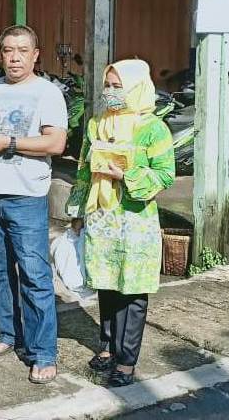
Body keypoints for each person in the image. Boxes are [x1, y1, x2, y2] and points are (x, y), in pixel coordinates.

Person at [0, 25, 68, 384]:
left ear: (36, 54)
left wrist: (8, 143)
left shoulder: (47, 93)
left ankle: (43, 353)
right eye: (8, 50)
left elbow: (55, 143)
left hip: (26, 197)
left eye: (23, 50)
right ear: (0, 52)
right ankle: (9, 334)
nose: (15, 57)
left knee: (35, 276)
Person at [66, 59, 175, 387]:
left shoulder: (153, 128)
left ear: (136, 88)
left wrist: (127, 175)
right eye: (108, 85)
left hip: (135, 221)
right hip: (102, 216)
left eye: (118, 86)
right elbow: (84, 169)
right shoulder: (97, 123)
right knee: (107, 284)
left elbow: (165, 174)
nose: (110, 92)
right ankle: (109, 347)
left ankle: (127, 361)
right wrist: (76, 211)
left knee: (132, 292)